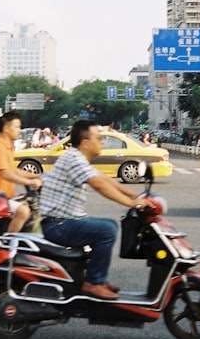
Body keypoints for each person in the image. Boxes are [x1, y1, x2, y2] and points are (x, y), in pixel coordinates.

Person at [39, 119, 148, 300]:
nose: (102, 141)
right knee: (106, 230)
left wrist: (134, 195)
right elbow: (99, 185)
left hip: (62, 221)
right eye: (98, 138)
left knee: (108, 225)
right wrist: (132, 204)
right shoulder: (73, 159)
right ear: (85, 143)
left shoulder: (76, 157)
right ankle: (93, 282)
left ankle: (98, 279)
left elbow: (103, 178)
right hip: (56, 225)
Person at [0, 111, 43, 233]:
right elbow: (5, 173)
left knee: (28, 206)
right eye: (17, 127)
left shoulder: (7, 147)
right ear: (6, 128)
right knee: (23, 211)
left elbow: (14, 170)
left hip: (4, 197)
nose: (19, 130)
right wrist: (29, 182)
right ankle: (7, 244)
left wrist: (36, 176)